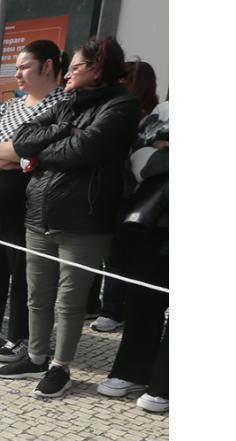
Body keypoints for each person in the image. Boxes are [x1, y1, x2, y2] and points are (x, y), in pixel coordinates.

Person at [0, 36, 140, 398]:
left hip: (84, 221)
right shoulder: (66, 102)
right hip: (39, 213)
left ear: (97, 68)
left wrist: (45, 151)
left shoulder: (121, 105)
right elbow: (23, 138)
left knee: (69, 302)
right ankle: (35, 356)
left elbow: (86, 148)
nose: (68, 73)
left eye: (76, 66)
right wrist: (63, 129)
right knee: (36, 295)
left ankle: (60, 367)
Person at [0, 40, 68, 361]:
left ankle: (21, 335)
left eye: (24, 67)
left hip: (25, 195)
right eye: (16, 68)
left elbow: (31, 149)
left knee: (22, 267)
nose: (18, 74)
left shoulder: (60, 105)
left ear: (47, 66)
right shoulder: (8, 105)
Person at [96, 99, 168, 412]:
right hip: (156, 222)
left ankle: (166, 382)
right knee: (143, 299)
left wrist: (165, 150)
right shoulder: (165, 110)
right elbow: (140, 159)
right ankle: (132, 370)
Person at [90, 59, 161, 333]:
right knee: (112, 253)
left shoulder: (153, 117)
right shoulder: (121, 112)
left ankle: (113, 309)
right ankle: (104, 306)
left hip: (141, 197)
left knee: (121, 255)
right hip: (119, 192)